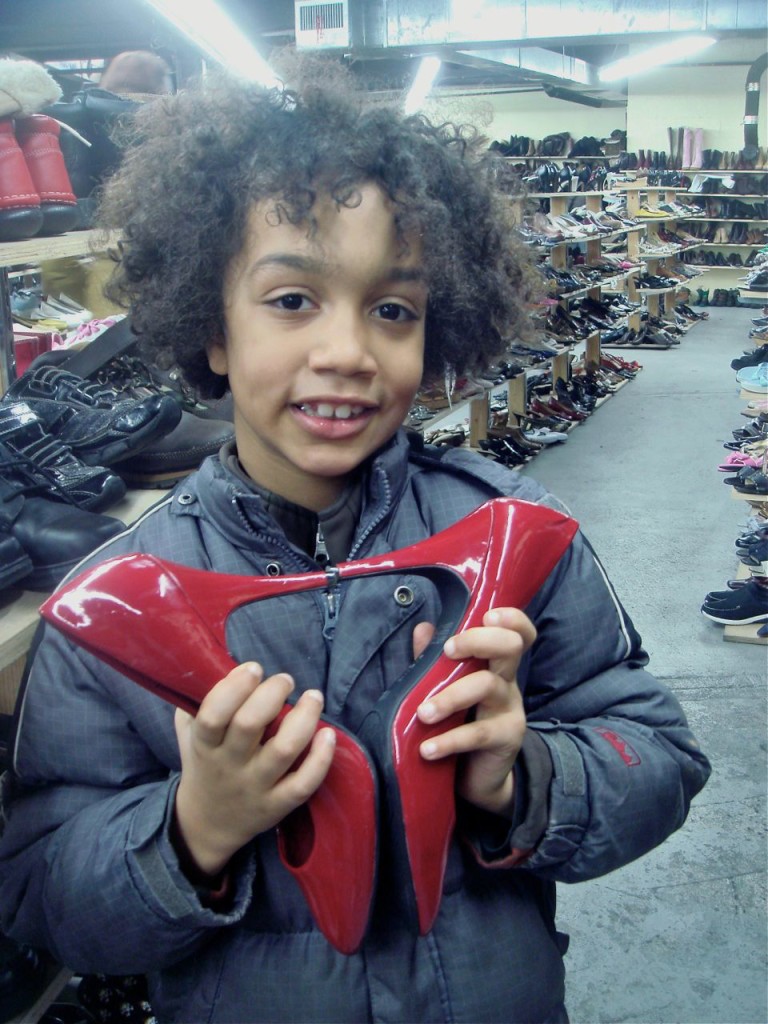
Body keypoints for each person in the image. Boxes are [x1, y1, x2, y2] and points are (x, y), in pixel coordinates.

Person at [0, 59, 711, 1023]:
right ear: (211, 327)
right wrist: (192, 829)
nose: (347, 350)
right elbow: (42, 894)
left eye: (393, 309)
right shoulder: (121, 602)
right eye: (292, 300)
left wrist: (523, 775)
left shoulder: (515, 538)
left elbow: (659, 754)